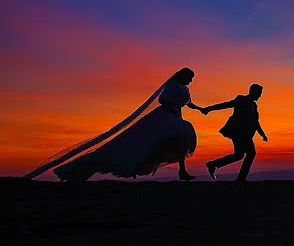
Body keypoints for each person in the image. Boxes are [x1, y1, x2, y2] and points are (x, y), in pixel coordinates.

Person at [46, 68, 205, 182]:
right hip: (164, 117)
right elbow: (164, 100)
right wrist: (174, 106)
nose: (190, 81)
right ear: (183, 76)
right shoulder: (171, 86)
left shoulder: (184, 88)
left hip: (175, 117)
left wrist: (202, 109)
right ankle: (77, 171)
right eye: (189, 78)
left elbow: (189, 103)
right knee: (141, 143)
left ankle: (182, 171)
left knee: (180, 140)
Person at [203, 83, 267, 182]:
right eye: (259, 93)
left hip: (244, 134)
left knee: (239, 155)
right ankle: (241, 178)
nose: (260, 95)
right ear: (252, 92)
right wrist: (209, 108)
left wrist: (262, 134)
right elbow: (226, 104)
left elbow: (255, 122)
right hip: (237, 132)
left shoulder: (254, 106)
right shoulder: (241, 99)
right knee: (251, 153)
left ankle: (213, 164)